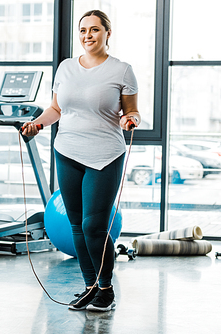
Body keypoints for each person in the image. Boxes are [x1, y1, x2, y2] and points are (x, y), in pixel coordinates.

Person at [22, 9, 140, 312]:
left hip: (105, 155)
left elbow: (132, 110)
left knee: (94, 227)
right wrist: (38, 124)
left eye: (95, 30)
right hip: (67, 152)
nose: (88, 36)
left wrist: (130, 119)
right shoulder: (65, 68)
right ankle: (89, 287)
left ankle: (106, 289)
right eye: (83, 30)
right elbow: (56, 109)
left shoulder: (122, 70)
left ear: (107, 34)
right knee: (76, 225)